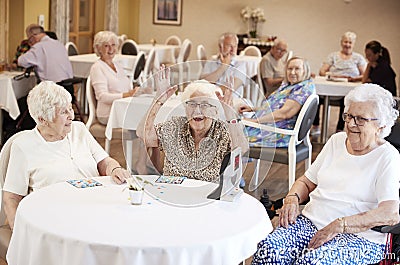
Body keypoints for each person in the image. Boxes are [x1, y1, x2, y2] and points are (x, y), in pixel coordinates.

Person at [252, 83, 400, 265]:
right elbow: (306, 181)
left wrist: (340, 225)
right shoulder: (336, 141)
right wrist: (291, 198)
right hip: (312, 221)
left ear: (381, 125)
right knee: (269, 249)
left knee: (313, 262)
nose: (351, 124)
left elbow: (390, 213)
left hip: (359, 236)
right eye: (349, 116)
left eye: (361, 119)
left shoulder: (387, 156)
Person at [2, 81, 131, 230]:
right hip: (56, 219)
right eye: (64, 112)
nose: (71, 115)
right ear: (43, 119)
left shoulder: (79, 130)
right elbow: (11, 198)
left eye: (70, 108)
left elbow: (104, 162)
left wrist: (115, 169)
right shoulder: (23, 146)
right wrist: (21, 236)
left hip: (96, 207)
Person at [137, 67, 249, 182]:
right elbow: (143, 134)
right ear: (186, 109)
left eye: (205, 104)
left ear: (215, 111)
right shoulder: (175, 126)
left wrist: (230, 114)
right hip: (172, 192)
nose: (197, 110)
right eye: (192, 104)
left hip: (206, 196)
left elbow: (242, 149)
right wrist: (158, 99)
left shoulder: (221, 130)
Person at [239, 56, 315, 148]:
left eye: (297, 69)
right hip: (267, 127)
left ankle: (233, 161)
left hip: (276, 133)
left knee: (231, 137)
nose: (292, 72)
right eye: (289, 69)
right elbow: (276, 106)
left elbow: (284, 113)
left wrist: (254, 121)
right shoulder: (290, 85)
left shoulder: (302, 89)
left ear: (305, 71)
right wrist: (254, 109)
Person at [315, 31, 367, 133]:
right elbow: (322, 71)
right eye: (345, 42)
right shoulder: (333, 56)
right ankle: (316, 125)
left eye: (350, 42)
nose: (347, 45)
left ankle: (339, 128)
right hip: (332, 85)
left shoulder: (358, 58)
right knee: (316, 97)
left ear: (353, 44)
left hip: (348, 89)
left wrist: (351, 78)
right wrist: (334, 75)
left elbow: (364, 75)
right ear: (341, 42)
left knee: (346, 100)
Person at [90, 31, 139, 125]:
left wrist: (136, 92)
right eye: (106, 46)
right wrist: (127, 94)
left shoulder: (117, 65)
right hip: (108, 114)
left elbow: (127, 88)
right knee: (145, 121)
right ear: (98, 48)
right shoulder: (97, 68)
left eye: (113, 45)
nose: (111, 49)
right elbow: (102, 97)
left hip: (123, 109)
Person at [200, 32, 246, 97]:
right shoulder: (211, 61)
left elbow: (230, 88)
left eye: (235, 46)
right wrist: (223, 66)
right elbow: (203, 83)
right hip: (210, 101)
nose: (232, 50)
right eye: (229, 46)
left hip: (231, 103)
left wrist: (210, 93)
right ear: (220, 47)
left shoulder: (240, 64)